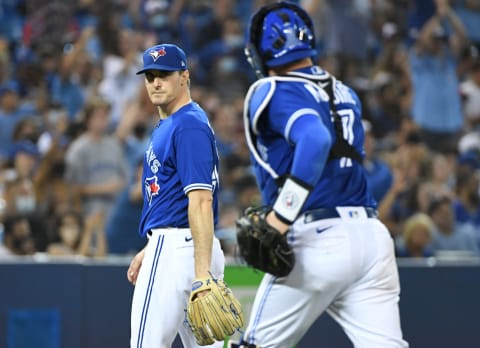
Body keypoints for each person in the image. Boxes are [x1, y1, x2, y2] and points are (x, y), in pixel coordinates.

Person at [234, 2, 408, 347]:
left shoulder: (272, 89)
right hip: (372, 237)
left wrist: (280, 218)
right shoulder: (347, 92)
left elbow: (315, 140)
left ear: (262, 52)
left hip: (316, 236)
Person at [126, 43, 227, 347]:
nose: (155, 82)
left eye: (164, 75)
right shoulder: (179, 123)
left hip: (180, 252)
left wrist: (202, 276)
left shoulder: (187, 125)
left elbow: (201, 200)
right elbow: (177, 199)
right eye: (150, 76)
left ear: (184, 76)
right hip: (181, 247)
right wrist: (153, 245)